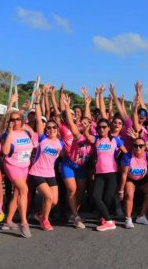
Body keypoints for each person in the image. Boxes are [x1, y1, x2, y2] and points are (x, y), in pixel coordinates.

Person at [28, 93, 65, 232]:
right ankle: (45, 221)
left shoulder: (60, 143)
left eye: (53, 127)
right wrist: (37, 103)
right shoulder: (42, 138)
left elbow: (65, 155)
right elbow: (38, 119)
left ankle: (40, 215)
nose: (51, 129)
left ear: (57, 129)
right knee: (48, 197)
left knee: (54, 201)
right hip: (37, 172)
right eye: (48, 127)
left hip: (50, 174)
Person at [0, 94, 35, 238]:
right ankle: (24, 222)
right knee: (24, 190)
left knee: (18, 194)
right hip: (11, 165)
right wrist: (9, 133)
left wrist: (21, 109)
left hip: (24, 165)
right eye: (13, 120)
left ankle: (8, 221)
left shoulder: (26, 131)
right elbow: (6, 151)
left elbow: (34, 144)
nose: (16, 121)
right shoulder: (6, 134)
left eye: (18, 119)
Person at [83, 118, 127, 232]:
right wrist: (89, 125)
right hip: (99, 174)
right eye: (99, 127)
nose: (101, 129)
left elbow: (126, 153)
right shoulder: (96, 139)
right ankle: (108, 221)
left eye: (104, 127)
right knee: (96, 196)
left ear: (108, 128)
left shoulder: (115, 139)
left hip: (112, 173)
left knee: (108, 198)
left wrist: (124, 165)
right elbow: (87, 135)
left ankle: (104, 218)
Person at [60, 92, 94, 230]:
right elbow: (70, 120)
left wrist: (87, 105)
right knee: (72, 190)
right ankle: (76, 216)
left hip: (81, 168)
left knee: (80, 192)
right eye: (82, 123)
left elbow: (88, 119)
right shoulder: (77, 135)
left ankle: (74, 213)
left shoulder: (93, 139)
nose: (84, 125)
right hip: (68, 165)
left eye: (87, 123)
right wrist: (67, 107)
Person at [118, 136, 148, 228]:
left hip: (143, 179)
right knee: (129, 194)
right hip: (131, 179)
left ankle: (141, 216)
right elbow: (124, 174)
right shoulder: (127, 156)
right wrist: (121, 191)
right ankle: (128, 219)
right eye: (135, 146)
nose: (138, 148)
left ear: (144, 147)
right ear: (133, 146)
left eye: (141, 146)